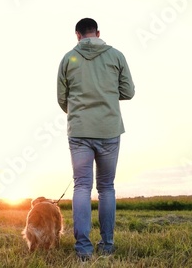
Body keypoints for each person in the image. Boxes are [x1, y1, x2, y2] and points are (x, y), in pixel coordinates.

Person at [57, 18, 135, 261]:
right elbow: (128, 92)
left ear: (78, 35)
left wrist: (79, 113)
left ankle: (83, 250)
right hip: (109, 129)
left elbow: (62, 97)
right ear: (98, 32)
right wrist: (107, 96)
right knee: (106, 188)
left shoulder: (68, 58)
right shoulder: (117, 56)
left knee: (81, 186)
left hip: (79, 131)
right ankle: (108, 245)